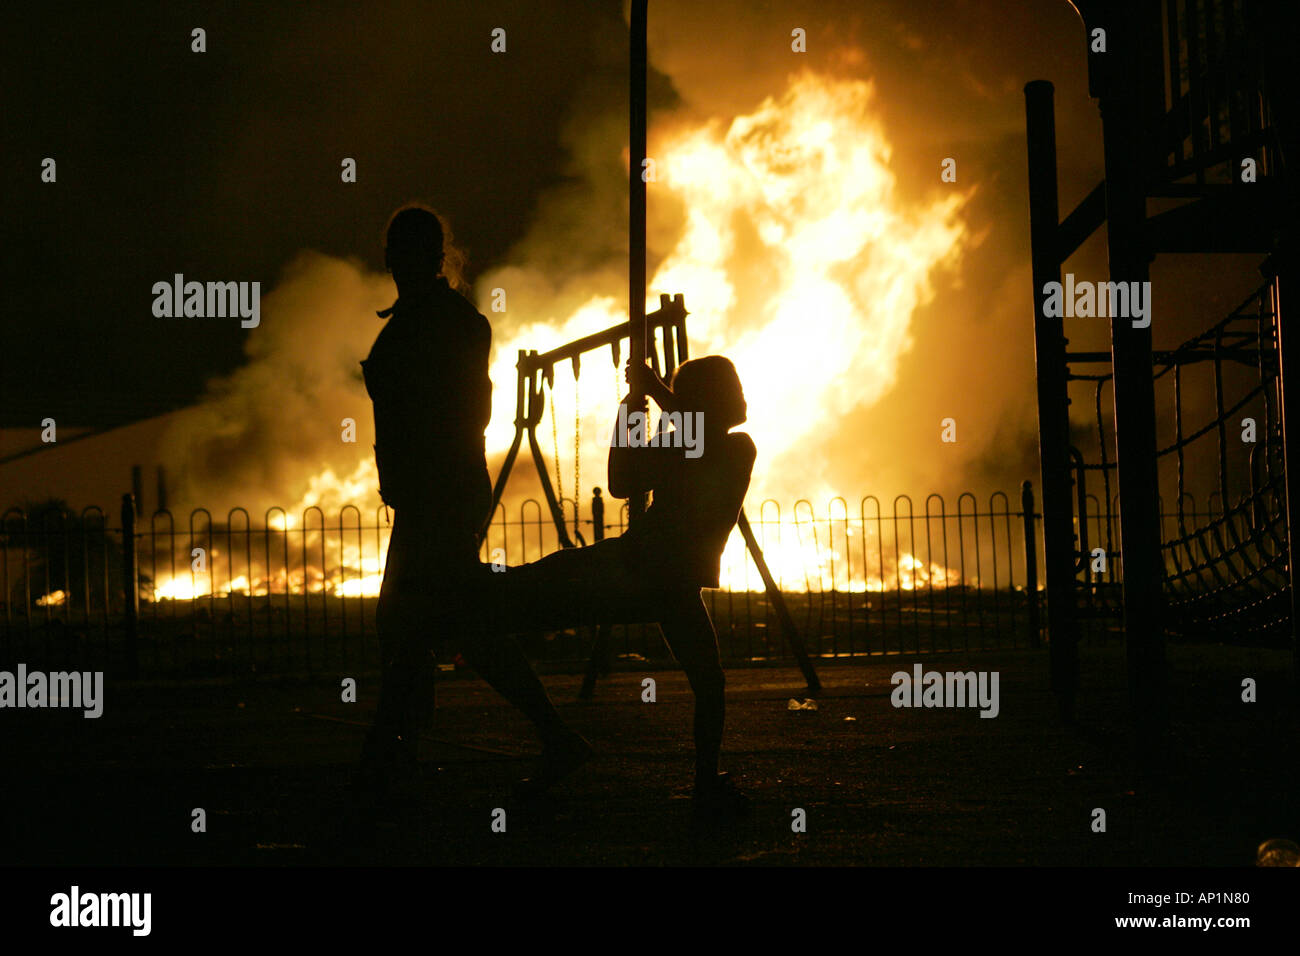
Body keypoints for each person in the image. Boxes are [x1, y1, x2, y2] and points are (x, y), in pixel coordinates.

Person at [357, 205, 588, 800]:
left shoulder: (441, 324)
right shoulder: (441, 321)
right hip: (437, 491)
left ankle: (394, 750)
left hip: (439, 493)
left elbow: (461, 412)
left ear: (429, 259)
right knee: (443, 618)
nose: (399, 264)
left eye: (409, 253)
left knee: (413, 616)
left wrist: (421, 470)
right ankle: (407, 744)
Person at [488, 355, 756, 817]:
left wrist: (651, 391)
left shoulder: (731, 447)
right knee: (508, 600)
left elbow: (699, 440)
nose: (742, 397)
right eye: (731, 389)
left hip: (660, 576)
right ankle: (698, 779)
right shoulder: (689, 443)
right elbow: (621, 481)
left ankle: (702, 779)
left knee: (710, 682)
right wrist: (631, 410)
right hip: (643, 569)